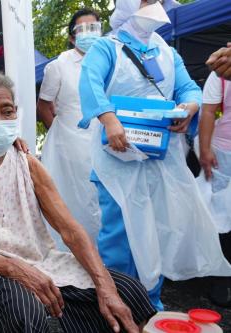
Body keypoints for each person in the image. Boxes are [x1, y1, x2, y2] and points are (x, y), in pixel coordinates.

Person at [0, 69, 157, 333]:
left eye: (7, 111)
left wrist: (105, 285)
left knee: (128, 292)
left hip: (43, 263)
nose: (0, 120)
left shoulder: (26, 163)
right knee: (22, 309)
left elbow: (70, 230)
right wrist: (17, 270)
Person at [78, 0, 231, 311]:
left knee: (157, 229)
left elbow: (189, 88)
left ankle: (149, 303)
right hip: (117, 159)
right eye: (147, 0)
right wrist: (108, 118)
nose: (155, 6)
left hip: (162, 158)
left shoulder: (165, 50)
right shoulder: (106, 48)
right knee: (119, 235)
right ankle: (119, 304)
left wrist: (189, 107)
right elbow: (90, 83)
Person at [37, 9, 102, 247]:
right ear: (73, 37)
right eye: (82, 30)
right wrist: (63, 132)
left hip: (104, 143)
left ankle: (106, 264)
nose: (89, 35)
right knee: (73, 203)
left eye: (94, 28)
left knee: (101, 206)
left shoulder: (112, 62)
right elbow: (44, 106)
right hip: (67, 149)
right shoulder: (59, 65)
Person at [196, 70, 231, 307]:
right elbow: (208, 111)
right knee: (222, 215)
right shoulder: (221, 73)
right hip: (223, 151)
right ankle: (222, 278)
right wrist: (206, 149)